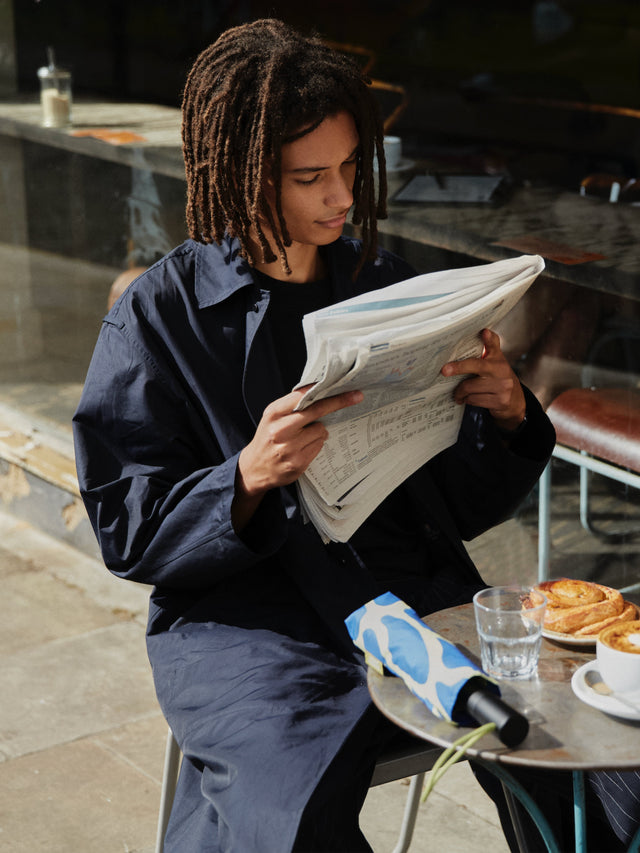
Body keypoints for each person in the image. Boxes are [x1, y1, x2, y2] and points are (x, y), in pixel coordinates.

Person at [72, 18, 598, 853]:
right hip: (251, 618)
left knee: (595, 760)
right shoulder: (159, 316)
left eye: (352, 166)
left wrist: (503, 416)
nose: (343, 196)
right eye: (310, 176)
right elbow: (124, 524)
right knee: (289, 809)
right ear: (245, 175)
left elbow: (450, 501)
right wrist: (242, 478)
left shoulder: (380, 282)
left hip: (412, 589)